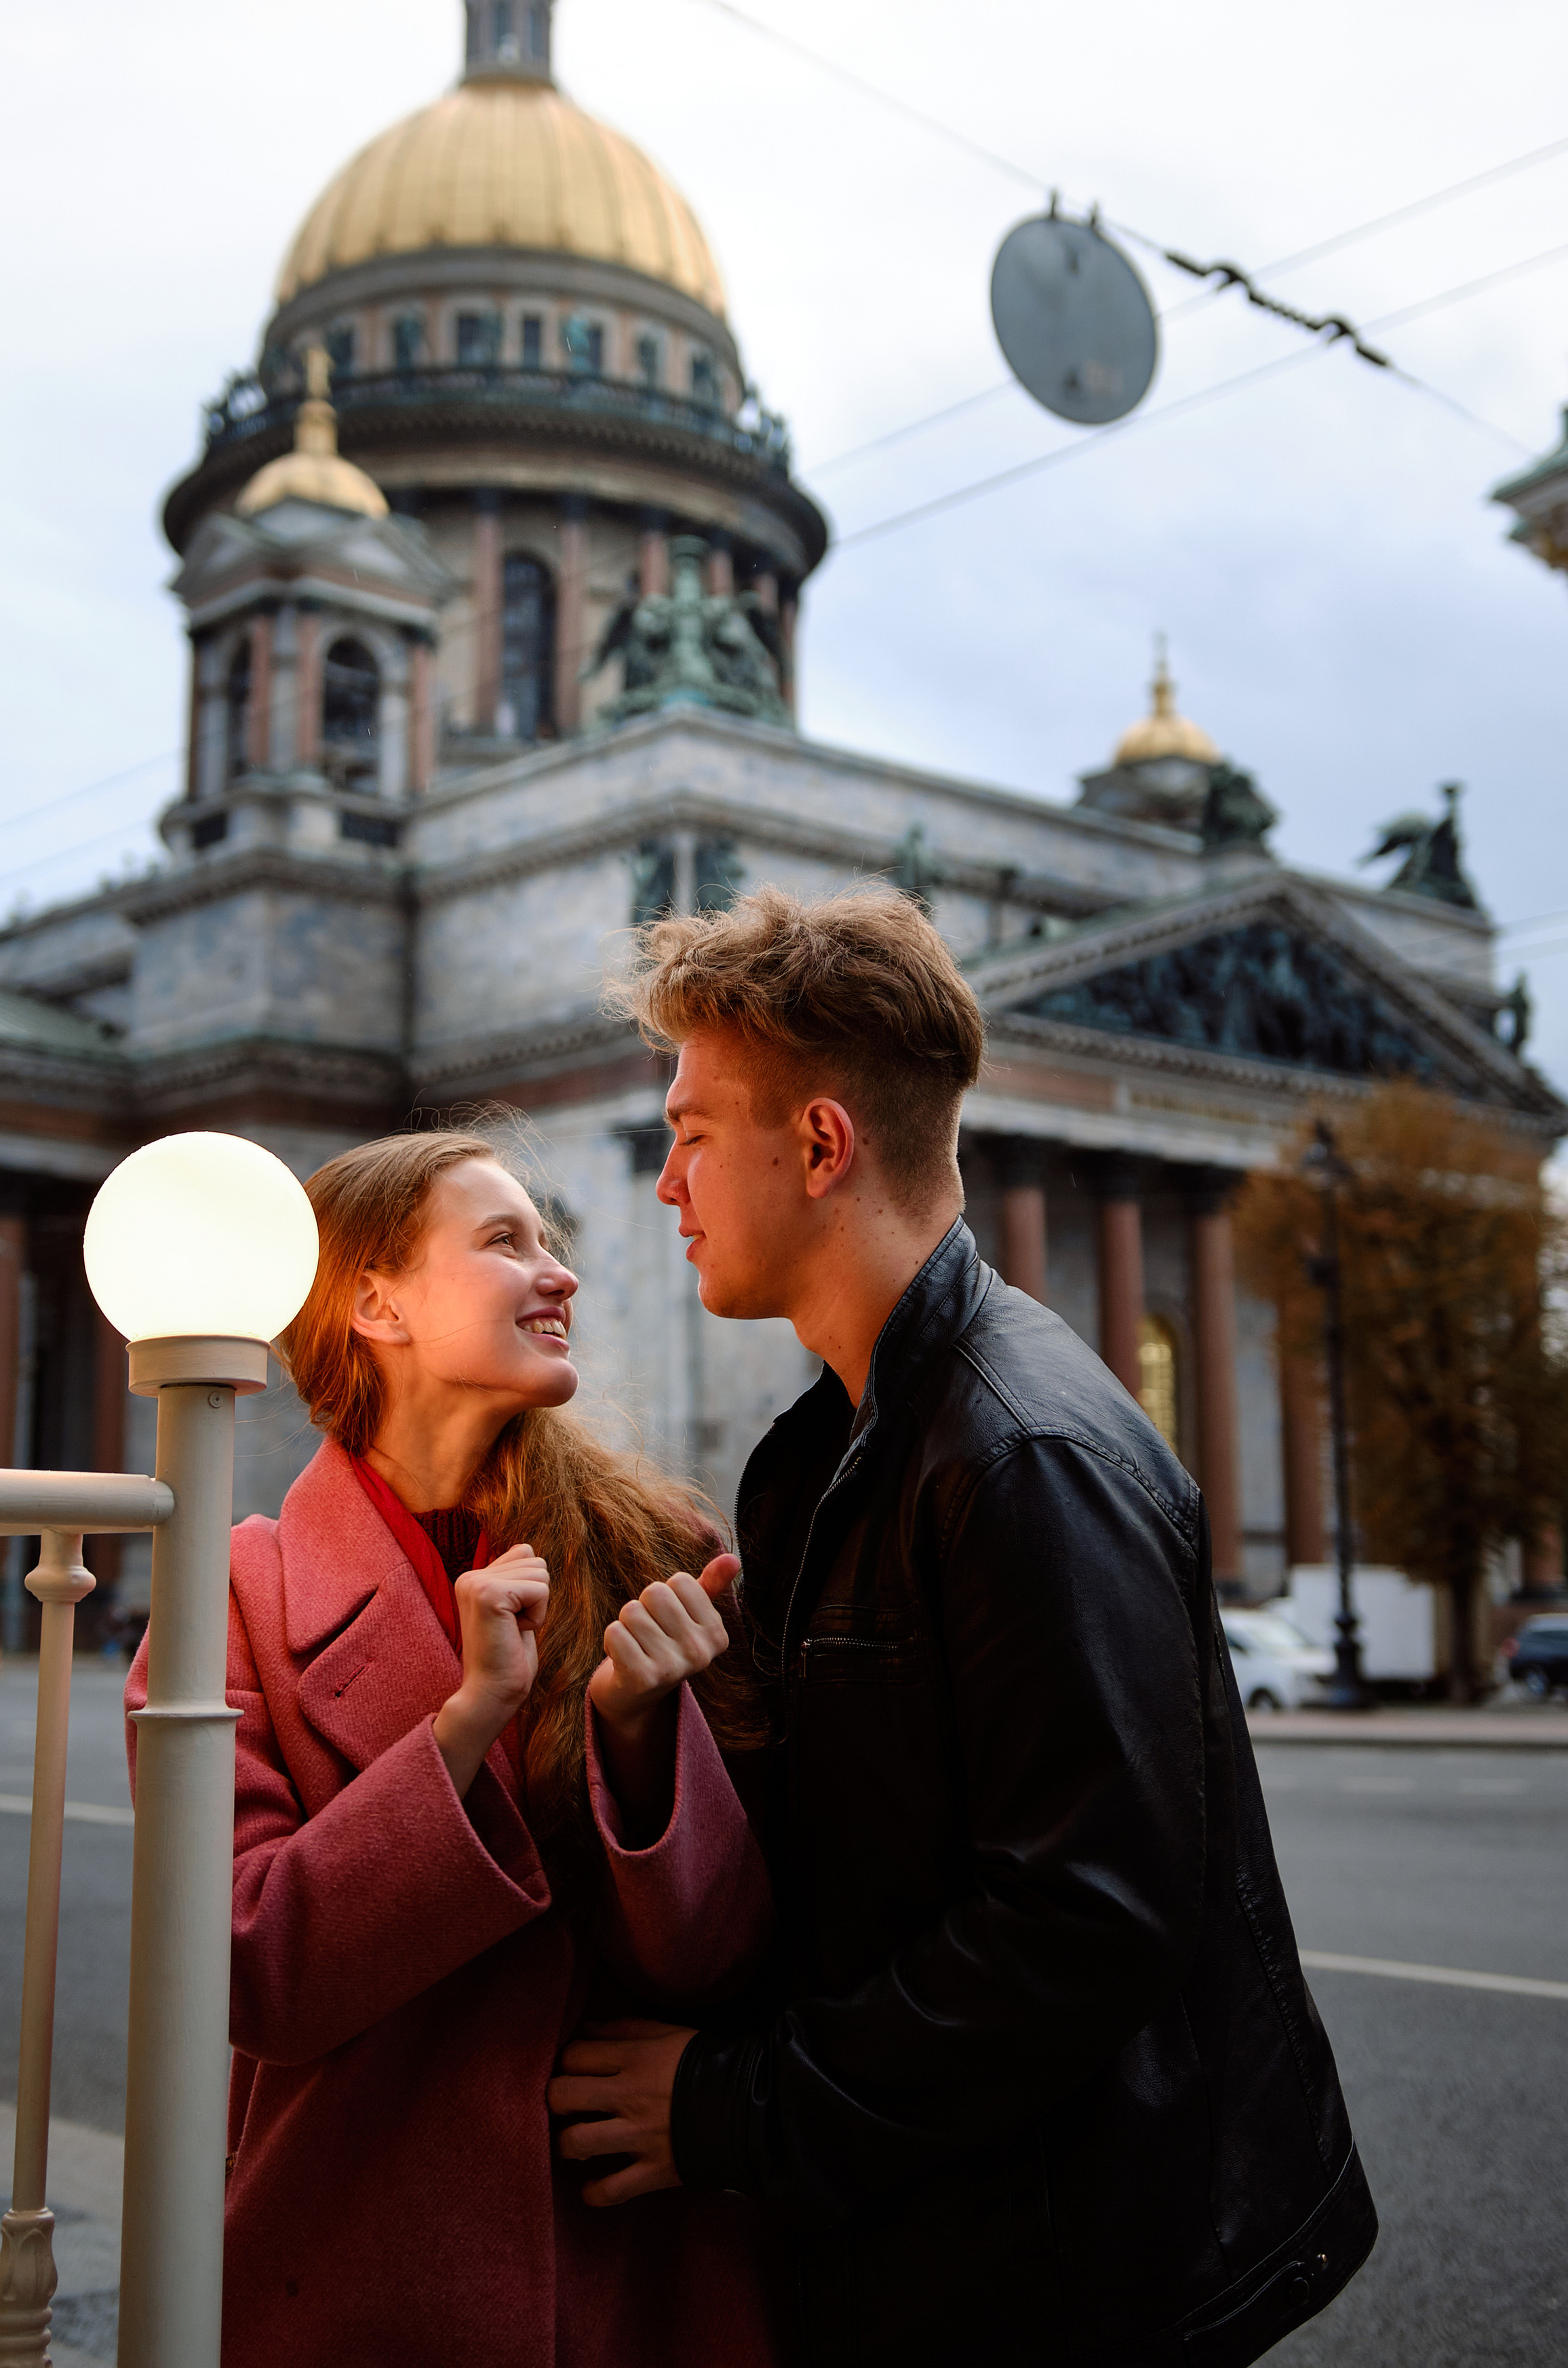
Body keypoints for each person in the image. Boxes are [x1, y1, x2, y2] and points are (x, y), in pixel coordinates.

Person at [549, 888, 1376, 2367]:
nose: (664, 1181)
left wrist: (732, 2107)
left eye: (689, 1130)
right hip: (938, 2227)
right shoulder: (843, 1442)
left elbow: (1079, 1924)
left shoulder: (1017, 1453)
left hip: (1035, 2275)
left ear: (819, 1144)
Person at [127, 1128, 785, 2368]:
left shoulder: (665, 1543)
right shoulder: (237, 1596)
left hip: (643, 2287)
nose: (563, 1274)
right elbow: (249, 1970)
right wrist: (468, 1720)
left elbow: (729, 1959)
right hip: (356, 2275)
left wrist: (641, 1745)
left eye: (550, 1239)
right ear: (375, 1302)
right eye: (504, 1242)